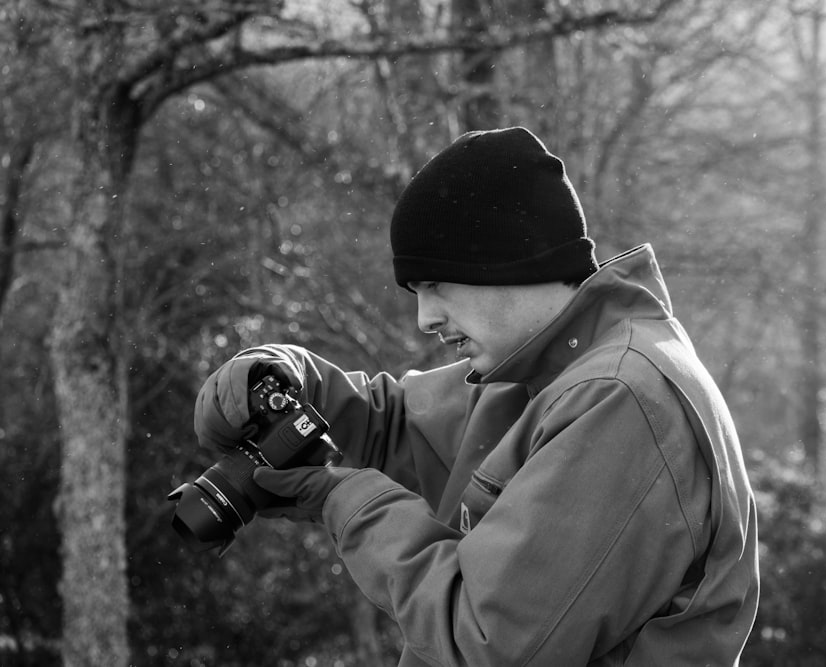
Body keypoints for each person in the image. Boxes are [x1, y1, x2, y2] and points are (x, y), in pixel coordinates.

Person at [194, 127, 759, 666]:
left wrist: (344, 500)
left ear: (503, 259)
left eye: (435, 284)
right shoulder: (548, 374)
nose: (425, 318)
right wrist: (276, 380)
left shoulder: (619, 399)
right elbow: (390, 427)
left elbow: (487, 644)